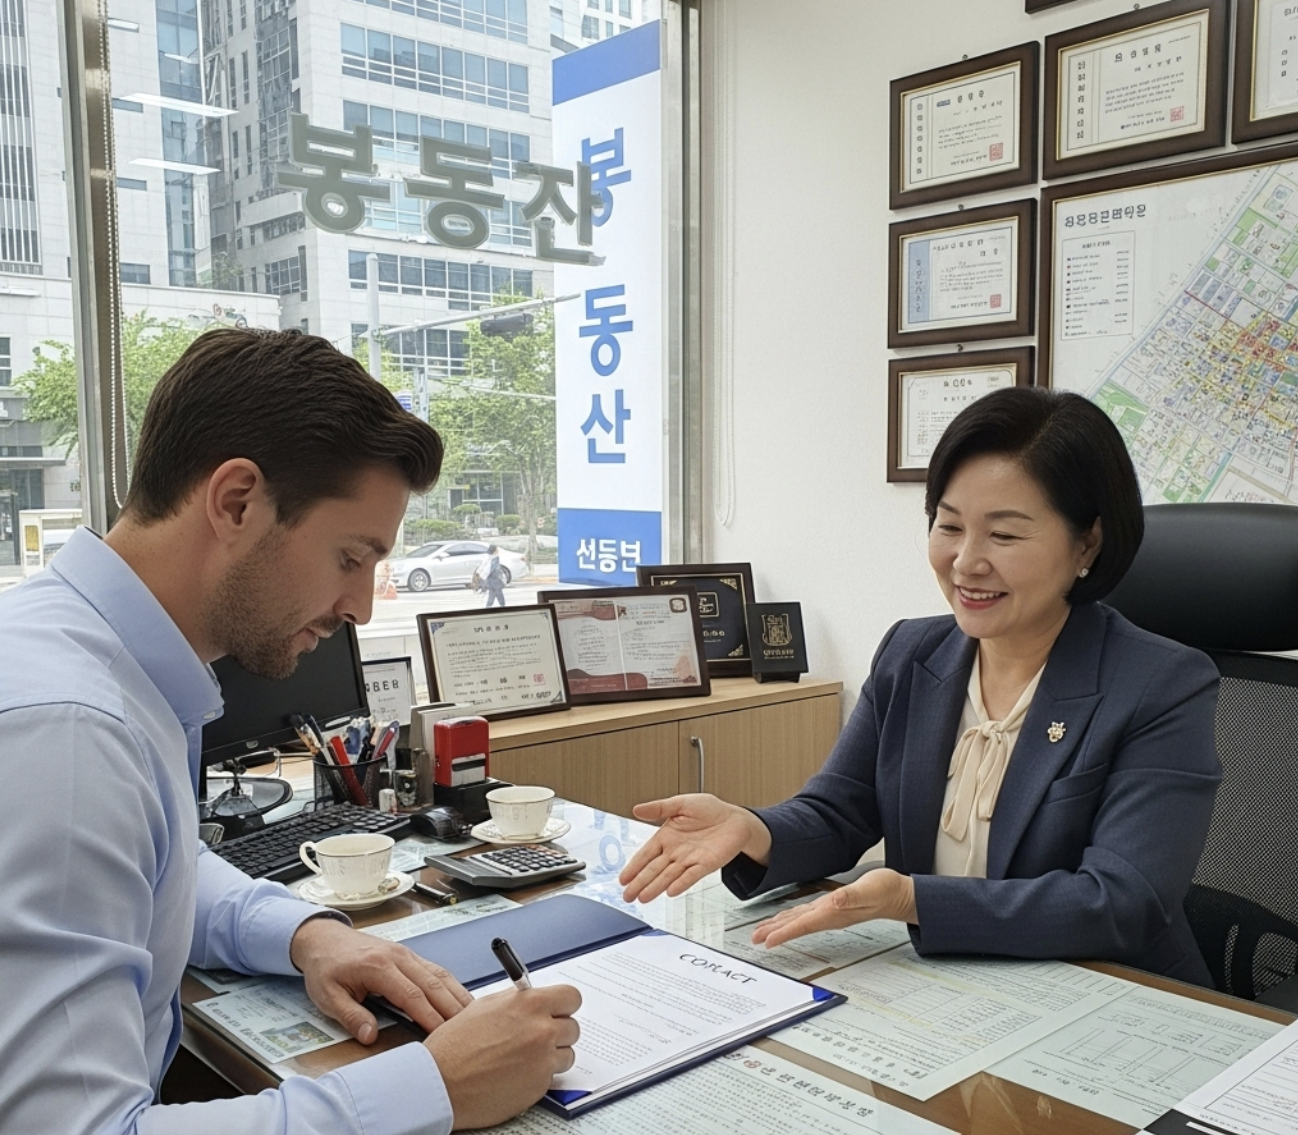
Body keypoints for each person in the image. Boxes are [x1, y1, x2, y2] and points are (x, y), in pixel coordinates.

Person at [0, 329, 580, 1135]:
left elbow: (149, 867)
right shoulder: (71, 731)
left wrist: (307, 935)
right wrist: (435, 1088)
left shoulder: (87, 656)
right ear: (237, 501)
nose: (362, 608)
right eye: (351, 556)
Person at [620, 387, 1222, 985]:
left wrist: (913, 902)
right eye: (949, 525)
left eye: (1005, 536)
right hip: (941, 984)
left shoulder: (1161, 684)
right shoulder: (913, 652)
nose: (965, 562)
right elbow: (841, 810)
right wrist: (755, 830)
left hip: (1108, 996)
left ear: (1087, 543)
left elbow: (1123, 902)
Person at [481, 544, 507, 608]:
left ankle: (488, 607)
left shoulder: (488, 558)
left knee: (492, 594)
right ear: (494, 551)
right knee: (499, 594)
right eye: (497, 549)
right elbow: (495, 569)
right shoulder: (495, 558)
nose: (498, 550)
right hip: (494, 579)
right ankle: (503, 607)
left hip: (490, 580)